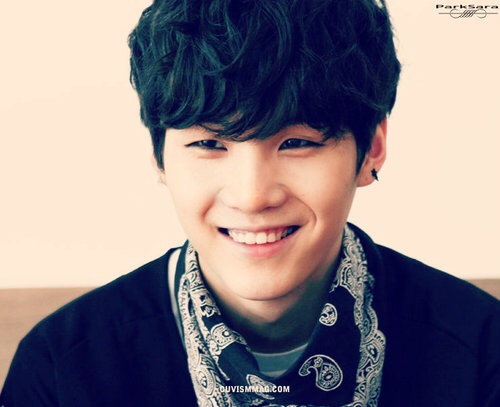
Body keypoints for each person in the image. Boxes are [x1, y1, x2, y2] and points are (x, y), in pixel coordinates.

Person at [1, 0, 499, 405]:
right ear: (160, 157)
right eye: (208, 143)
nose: (252, 196)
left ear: (372, 149)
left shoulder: (482, 351)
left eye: (297, 143)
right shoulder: (63, 369)